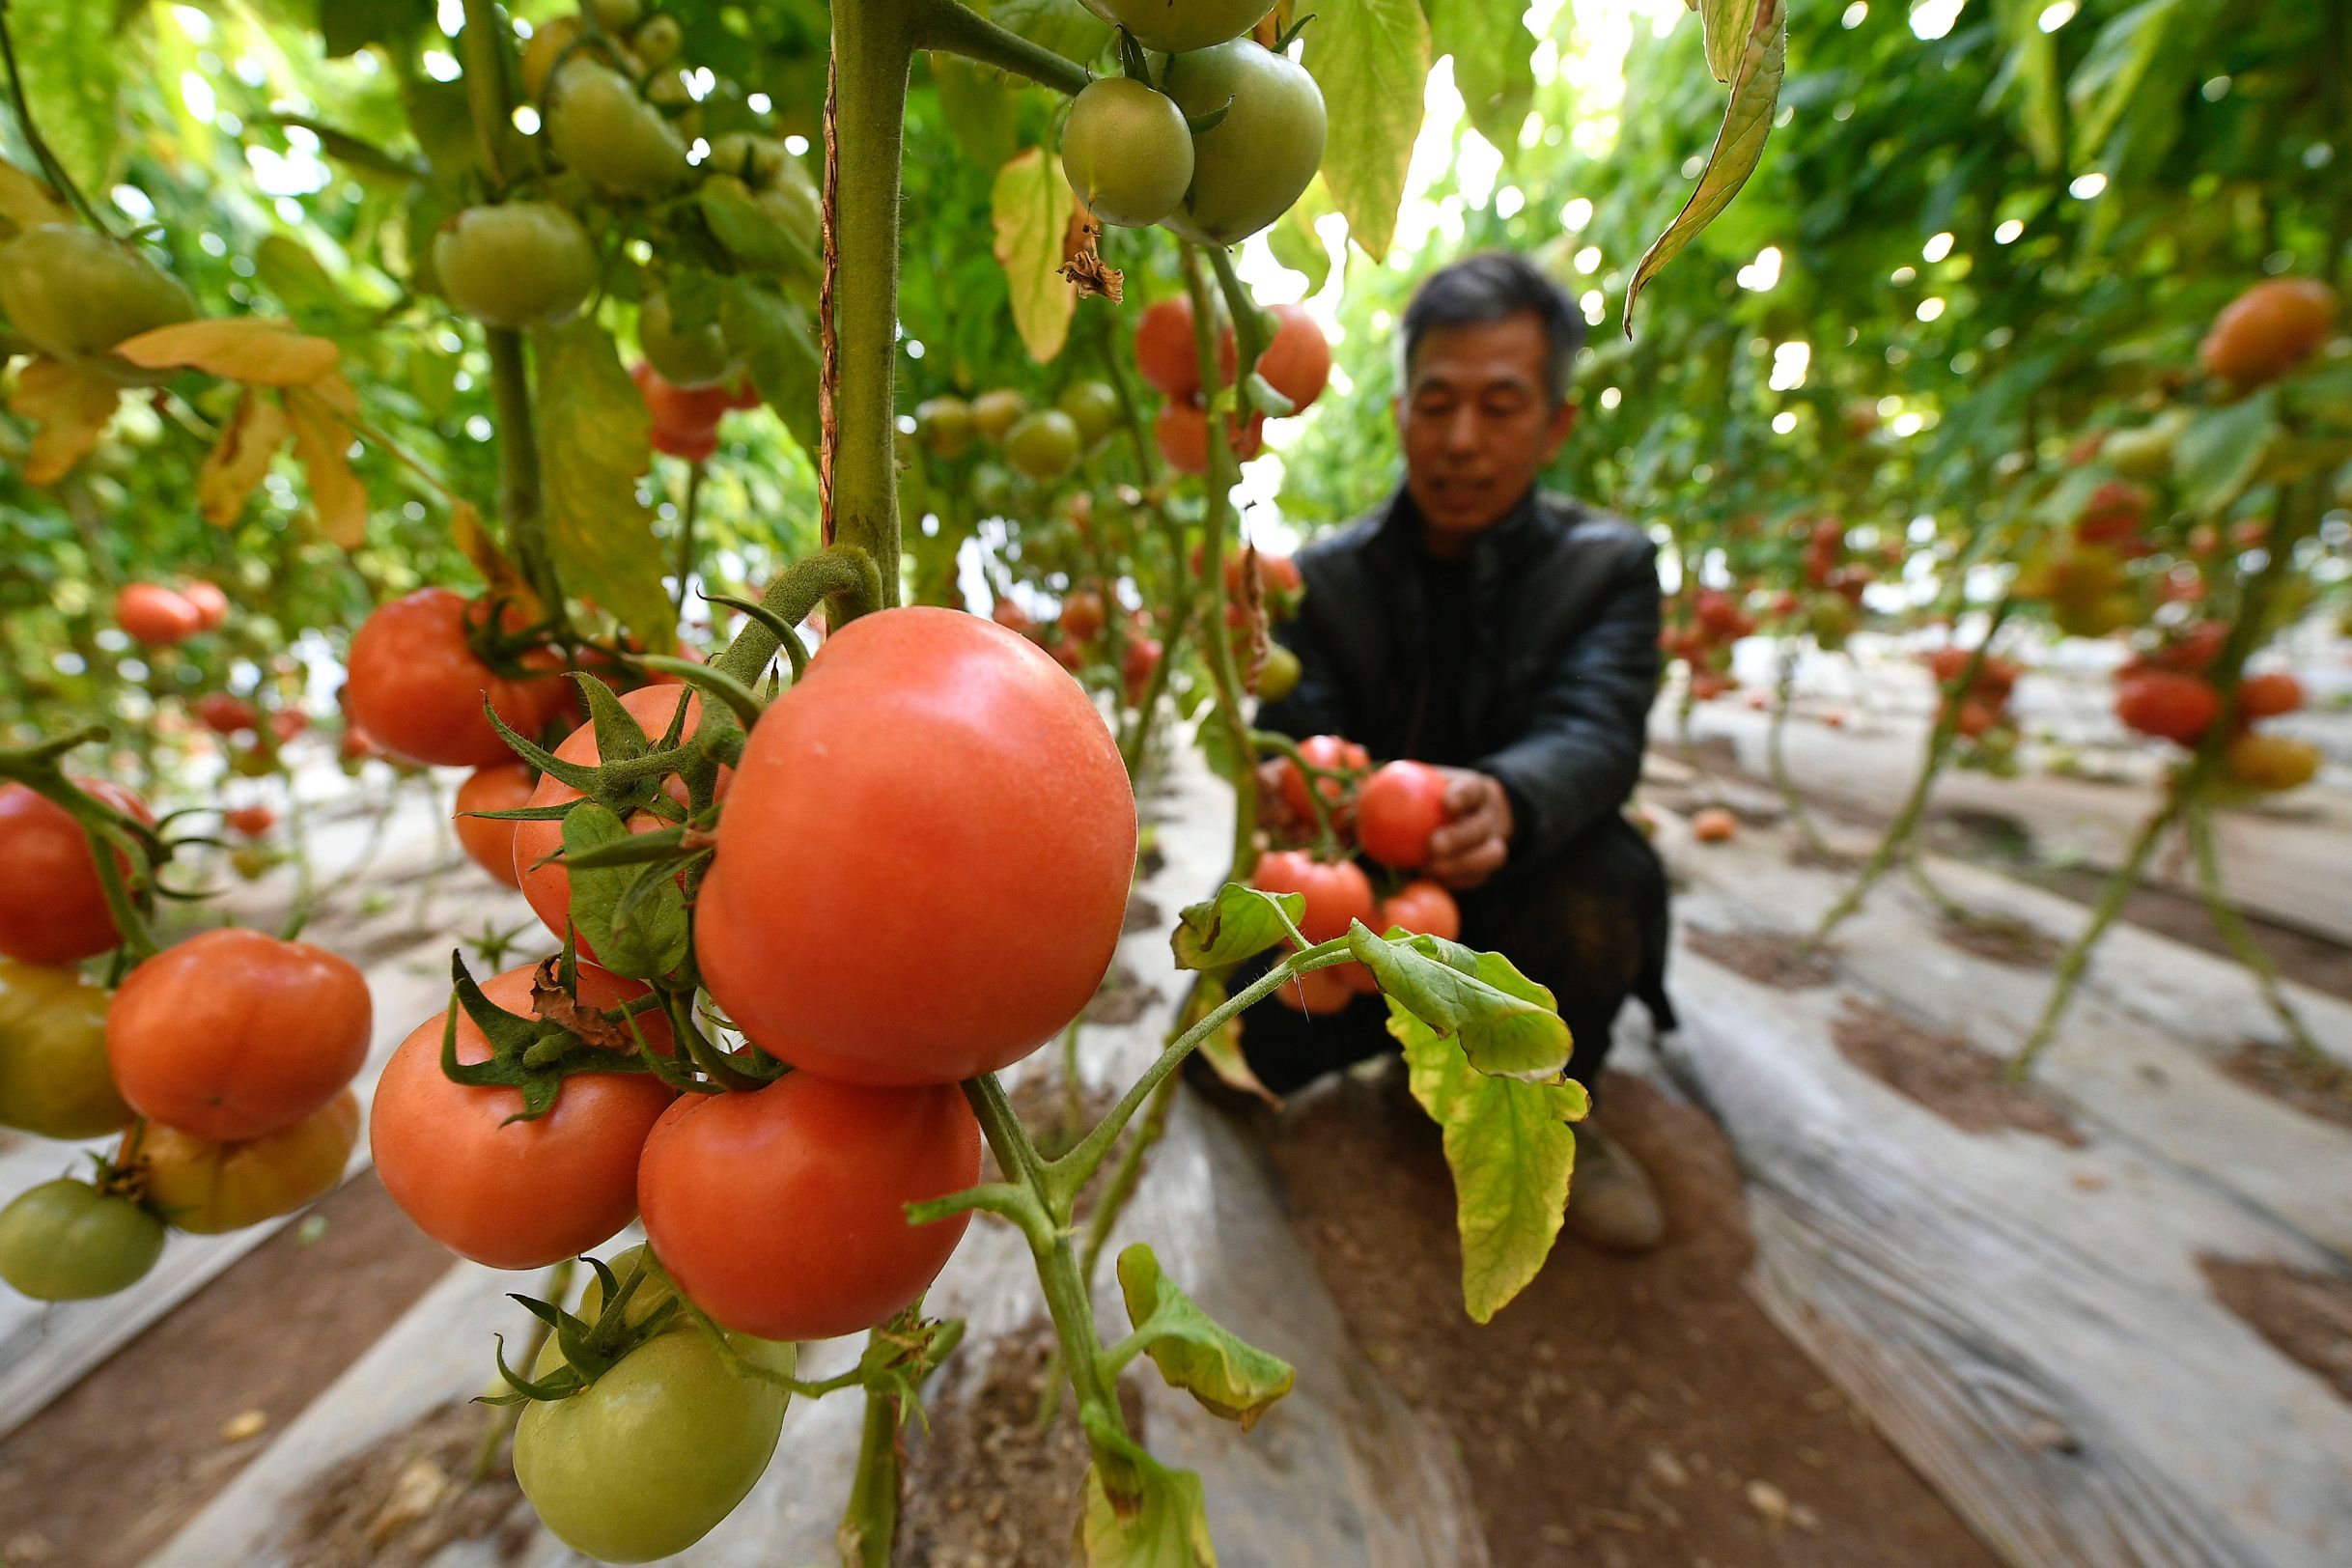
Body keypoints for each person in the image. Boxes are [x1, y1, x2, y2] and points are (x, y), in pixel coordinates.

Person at [1211, 250, 1674, 1253]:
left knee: (1611, 883)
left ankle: (1551, 1098)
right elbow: (1303, 743)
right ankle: (1364, 1065)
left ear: (1555, 422)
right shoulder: (1322, 582)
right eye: (1437, 402)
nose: (1462, 440)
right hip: (1364, 906)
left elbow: (1600, 730)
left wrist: (1509, 799)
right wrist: (1288, 785)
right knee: (1247, 1028)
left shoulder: (1610, 569)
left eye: (1501, 405)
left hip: (1518, 887)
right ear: (1400, 413)